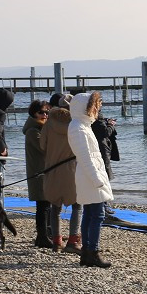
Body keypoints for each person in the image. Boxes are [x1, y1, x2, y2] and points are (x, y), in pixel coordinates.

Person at [67, 91, 113, 268]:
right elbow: (85, 157)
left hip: (90, 176)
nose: (98, 107)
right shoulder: (79, 127)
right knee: (97, 215)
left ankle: (87, 252)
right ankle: (92, 251)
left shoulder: (83, 125)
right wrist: (97, 180)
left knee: (90, 213)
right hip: (90, 176)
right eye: (96, 104)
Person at [41, 93, 82, 253]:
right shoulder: (77, 124)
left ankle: (57, 241)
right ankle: (73, 240)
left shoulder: (49, 123)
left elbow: (42, 145)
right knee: (77, 206)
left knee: (55, 206)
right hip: (73, 169)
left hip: (52, 169)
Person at [23, 99, 54, 248]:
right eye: (41, 112)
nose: (45, 115)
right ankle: (42, 237)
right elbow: (45, 148)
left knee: (47, 205)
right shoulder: (33, 131)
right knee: (43, 206)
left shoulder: (41, 128)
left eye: (47, 112)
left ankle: (46, 234)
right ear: (33, 113)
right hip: (38, 173)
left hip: (45, 172)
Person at [91, 109, 120, 218]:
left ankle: (103, 204)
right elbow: (104, 132)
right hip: (101, 150)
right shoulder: (96, 117)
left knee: (102, 177)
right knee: (104, 177)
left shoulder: (87, 117)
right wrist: (111, 125)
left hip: (98, 149)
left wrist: (106, 122)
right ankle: (104, 205)